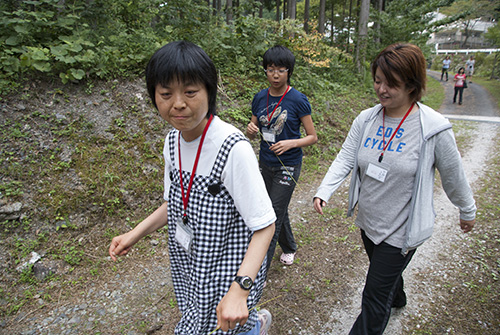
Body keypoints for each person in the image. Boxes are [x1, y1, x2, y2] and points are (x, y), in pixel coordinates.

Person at [109, 41, 276, 335]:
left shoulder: (232, 147)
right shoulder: (172, 142)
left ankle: (255, 323)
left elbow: (265, 226)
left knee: (225, 326)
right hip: (190, 259)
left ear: (209, 92)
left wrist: (240, 290)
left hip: (230, 266)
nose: (178, 103)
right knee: (199, 317)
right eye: (165, 94)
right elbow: (172, 203)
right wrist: (133, 234)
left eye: (189, 92)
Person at [313, 43, 476, 335]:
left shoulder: (434, 128)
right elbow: (347, 156)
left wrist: (467, 210)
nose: (382, 89)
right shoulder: (367, 119)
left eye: (392, 84)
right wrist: (324, 189)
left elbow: (454, 176)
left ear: (413, 86)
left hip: (402, 231)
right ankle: (397, 296)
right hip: (370, 221)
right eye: (378, 81)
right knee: (384, 278)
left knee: (374, 296)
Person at [246, 45, 317, 270]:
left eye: (281, 70)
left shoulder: (297, 99)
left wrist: (291, 142)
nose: (275, 75)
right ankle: (289, 246)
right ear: (265, 71)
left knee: (271, 216)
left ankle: (257, 271)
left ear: (289, 72)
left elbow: (312, 136)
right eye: (270, 69)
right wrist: (250, 130)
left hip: (288, 165)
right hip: (265, 163)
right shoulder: (259, 98)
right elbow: (253, 124)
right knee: (274, 206)